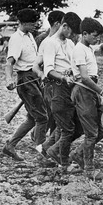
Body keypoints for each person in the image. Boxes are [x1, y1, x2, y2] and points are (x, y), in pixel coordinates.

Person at [70, 17, 103, 178]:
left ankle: (78, 153)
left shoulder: (89, 48)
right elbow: (84, 77)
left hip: (91, 91)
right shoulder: (79, 49)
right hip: (83, 91)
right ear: (85, 33)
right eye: (95, 36)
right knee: (91, 133)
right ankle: (89, 169)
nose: (98, 39)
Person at [3, 8, 49, 162]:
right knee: (42, 118)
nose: (35, 25)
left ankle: (10, 145)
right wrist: (9, 79)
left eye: (36, 22)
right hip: (25, 80)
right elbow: (9, 62)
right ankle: (42, 152)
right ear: (22, 23)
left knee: (32, 117)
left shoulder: (30, 36)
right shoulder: (16, 38)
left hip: (34, 77)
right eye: (32, 22)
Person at [42, 12, 82, 171]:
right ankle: (63, 162)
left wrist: (73, 74)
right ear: (64, 26)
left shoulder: (70, 44)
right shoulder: (50, 43)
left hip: (71, 88)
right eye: (72, 31)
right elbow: (49, 70)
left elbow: (73, 65)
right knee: (67, 129)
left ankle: (49, 150)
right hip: (57, 88)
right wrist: (63, 78)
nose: (73, 36)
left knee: (69, 125)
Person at [32, 10, 65, 152]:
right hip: (49, 85)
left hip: (61, 85)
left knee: (55, 118)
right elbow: (35, 65)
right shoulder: (43, 40)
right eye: (64, 23)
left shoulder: (65, 41)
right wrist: (41, 74)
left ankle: (48, 147)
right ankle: (46, 148)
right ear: (57, 24)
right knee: (49, 118)